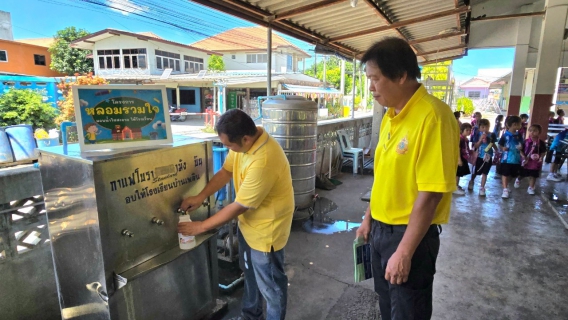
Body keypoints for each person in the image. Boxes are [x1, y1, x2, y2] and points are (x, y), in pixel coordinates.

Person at [355, 37, 459, 320]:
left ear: (401, 76)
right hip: (380, 230)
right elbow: (385, 177)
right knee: (388, 307)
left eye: (375, 79)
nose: (371, 87)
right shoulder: (391, 115)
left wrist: (404, 251)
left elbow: (431, 193)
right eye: (368, 79)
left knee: (407, 312)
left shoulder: (433, 117)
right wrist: (369, 217)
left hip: (409, 236)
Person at [178, 109, 294, 320]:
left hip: (266, 230)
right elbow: (226, 171)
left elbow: (240, 205)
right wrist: (200, 196)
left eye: (228, 145)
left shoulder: (265, 159)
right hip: (249, 225)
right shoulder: (244, 143)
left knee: (271, 286)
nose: (226, 149)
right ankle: (251, 316)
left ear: (246, 139)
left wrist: (201, 227)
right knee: (250, 275)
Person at [468, 119, 498, 196]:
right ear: (479, 128)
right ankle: (472, 181)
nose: (485, 129)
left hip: (488, 156)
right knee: (475, 171)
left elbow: (493, 144)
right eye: (483, 127)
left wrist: (497, 151)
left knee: (485, 172)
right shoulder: (477, 134)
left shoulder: (492, 135)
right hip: (479, 156)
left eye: (487, 127)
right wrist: (480, 140)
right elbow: (475, 146)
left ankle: (482, 187)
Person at [515, 124, 547, 195]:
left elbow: (543, 152)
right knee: (523, 174)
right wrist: (523, 156)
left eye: (535, 131)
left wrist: (541, 157)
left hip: (535, 163)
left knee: (533, 175)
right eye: (530, 131)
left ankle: (531, 187)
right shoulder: (525, 141)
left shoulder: (541, 143)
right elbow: (521, 151)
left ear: (539, 132)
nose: (532, 132)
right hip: (526, 161)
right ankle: (518, 179)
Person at [498, 116, 525, 199]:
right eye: (516, 124)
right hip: (506, 159)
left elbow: (522, 144)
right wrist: (503, 148)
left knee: (513, 175)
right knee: (505, 174)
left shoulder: (519, 135)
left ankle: (506, 184)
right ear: (510, 125)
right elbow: (500, 144)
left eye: (519, 124)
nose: (518, 126)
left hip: (516, 159)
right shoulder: (505, 135)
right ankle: (505, 189)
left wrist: (521, 149)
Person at [454, 123, 472, 195]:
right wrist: (459, 159)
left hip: (464, 157)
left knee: (460, 173)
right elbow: (458, 149)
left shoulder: (465, 139)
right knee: (457, 173)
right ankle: (455, 187)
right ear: (462, 130)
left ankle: (457, 185)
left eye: (470, 130)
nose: (469, 132)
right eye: (467, 130)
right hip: (460, 157)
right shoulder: (460, 139)